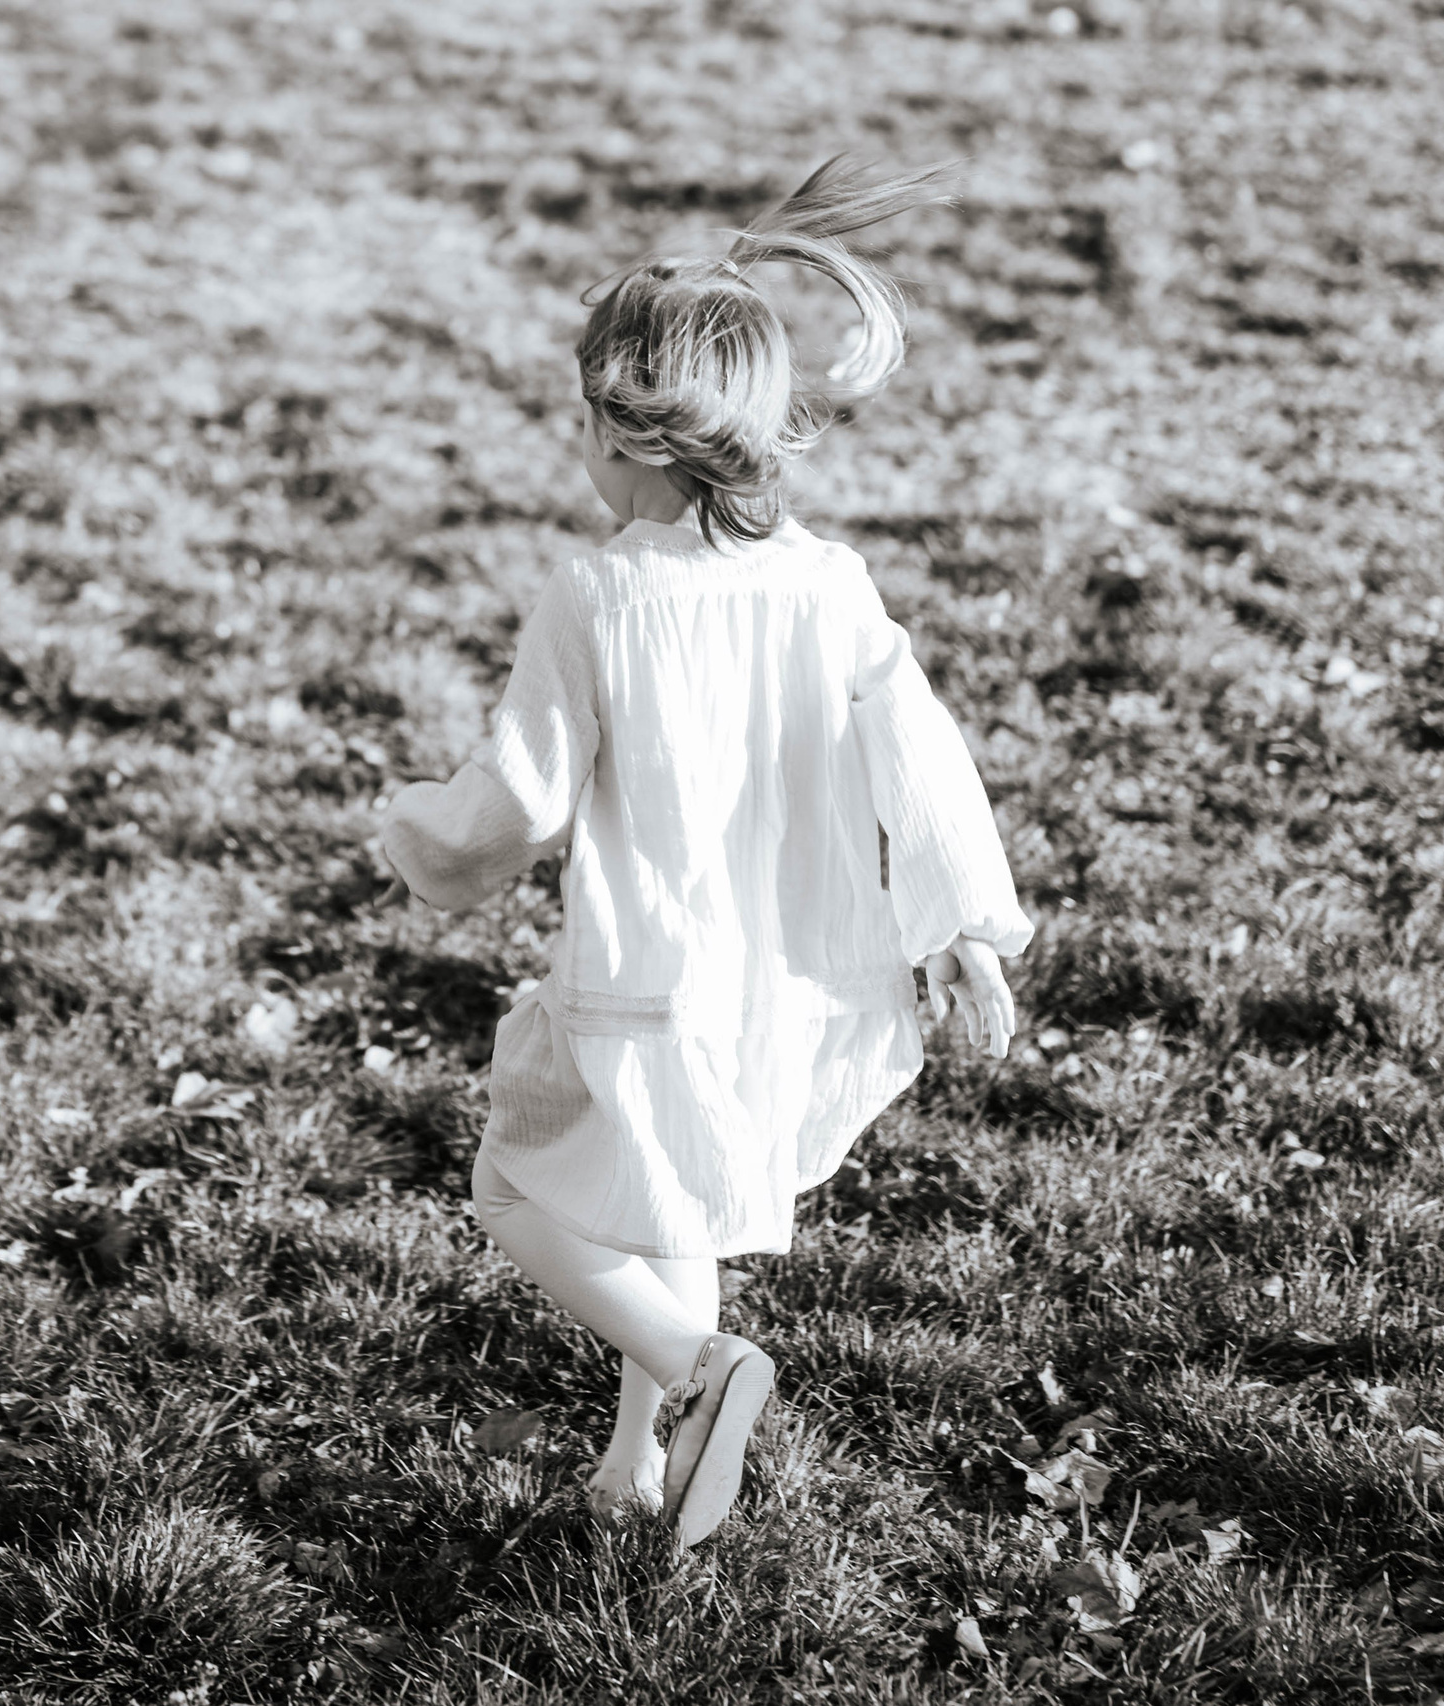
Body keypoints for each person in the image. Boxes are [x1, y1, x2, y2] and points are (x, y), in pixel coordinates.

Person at [377, 159, 1031, 1548]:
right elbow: (916, 744)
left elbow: (522, 799)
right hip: (794, 977)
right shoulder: (828, 581)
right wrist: (960, 917)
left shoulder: (599, 593)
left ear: (623, 437)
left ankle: (701, 1367)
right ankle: (639, 1468)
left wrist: (421, 835)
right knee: (674, 1212)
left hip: (648, 980)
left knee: (513, 1186)